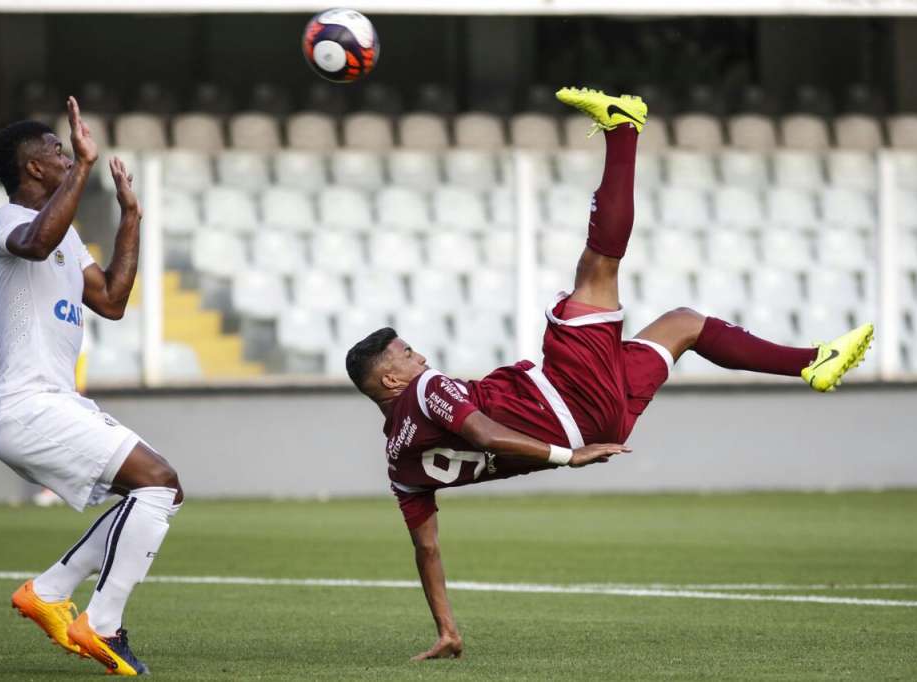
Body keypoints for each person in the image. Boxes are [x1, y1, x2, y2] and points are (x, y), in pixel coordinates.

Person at [345, 86, 874, 662]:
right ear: (390, 382)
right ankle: (625, 129)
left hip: (602, 422)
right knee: (596, 271)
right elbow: (484, 435)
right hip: (567, 401)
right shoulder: (425, 390)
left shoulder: (400, 467)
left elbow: (428, 551)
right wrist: (565, 458)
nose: (420, 358)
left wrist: (446, 627)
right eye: (406, 354)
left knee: (683, 324)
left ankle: (811, 362)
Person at [0, 97, 183, 676]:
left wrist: (132, 217)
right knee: (159, 484)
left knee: (159, 491)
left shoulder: (66, 236)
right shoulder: (7, 221)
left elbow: (114, 301)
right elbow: (35, 243)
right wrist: (88, 170)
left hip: (53, 404)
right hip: (26, 407)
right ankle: (100, 623)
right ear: (32, 169)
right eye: (54, 149)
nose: (65, 152)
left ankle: (48, 591)